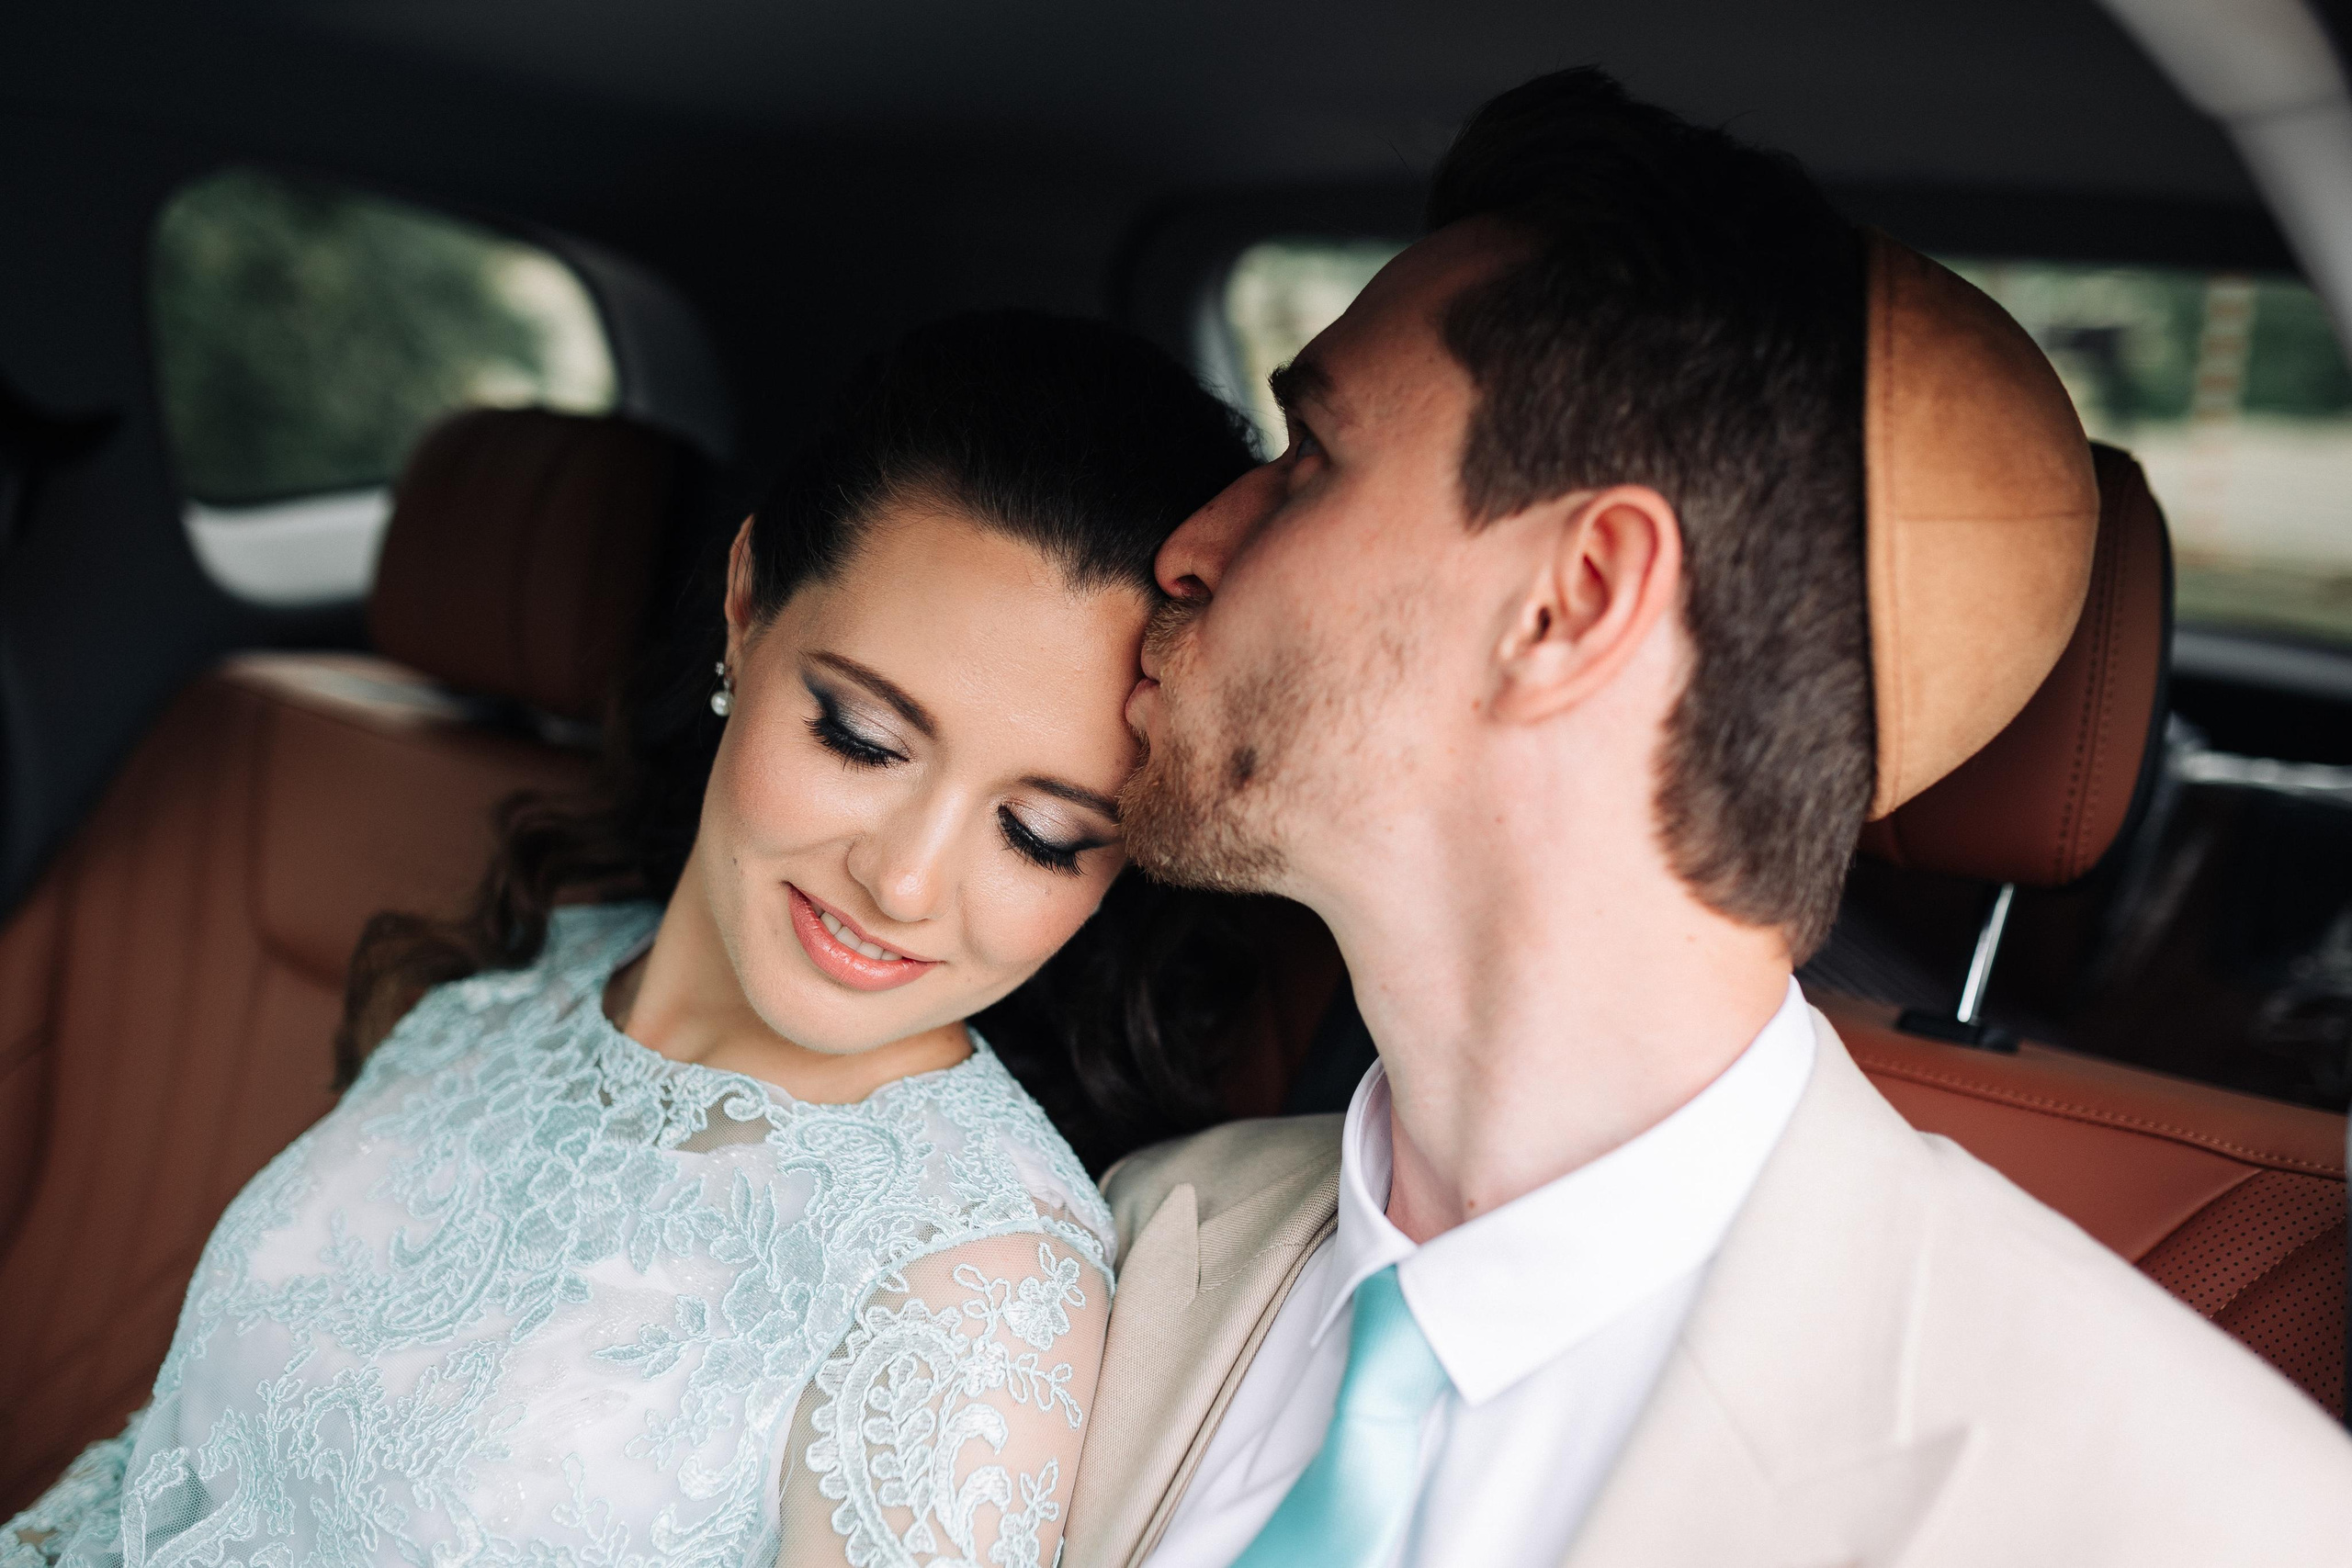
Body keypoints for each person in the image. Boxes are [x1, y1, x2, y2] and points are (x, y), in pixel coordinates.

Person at [1062, 68, 2352, 1568]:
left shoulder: (2185, 1516)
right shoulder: (1130, 1243)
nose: (1189, 546)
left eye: (1310, 462)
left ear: (1573, 601)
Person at [0, 312, 1269, 1568]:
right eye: (862, 738)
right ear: (746, 605)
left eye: (1044, 836)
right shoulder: (525, 988)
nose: (904, 882)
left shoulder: (976, 1288)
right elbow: (171, 1472)